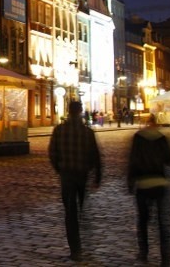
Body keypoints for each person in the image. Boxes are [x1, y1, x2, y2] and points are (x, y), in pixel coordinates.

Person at [48, 101, 102, 262]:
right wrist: (96, 174)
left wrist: (60, 168)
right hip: (82, 175)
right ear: (80, 112)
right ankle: (84, 237)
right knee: (81, 208)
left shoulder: (59, 130)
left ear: (68, 111)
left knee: (69, 212)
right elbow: (95, 155)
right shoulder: (87, 132)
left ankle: (75, 248)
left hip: (67, 175)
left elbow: (52, 152)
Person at [127, 113, 170, 267]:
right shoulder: (162, 138)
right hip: (160, 183)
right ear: (156, 124)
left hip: (143, 183)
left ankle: (143, 253)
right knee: (162, 223)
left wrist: (130, 182)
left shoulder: (138, 138)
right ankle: (165, 258)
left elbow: (133, 160)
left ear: (146, 123)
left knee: (142, 220)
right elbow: (169, 160)